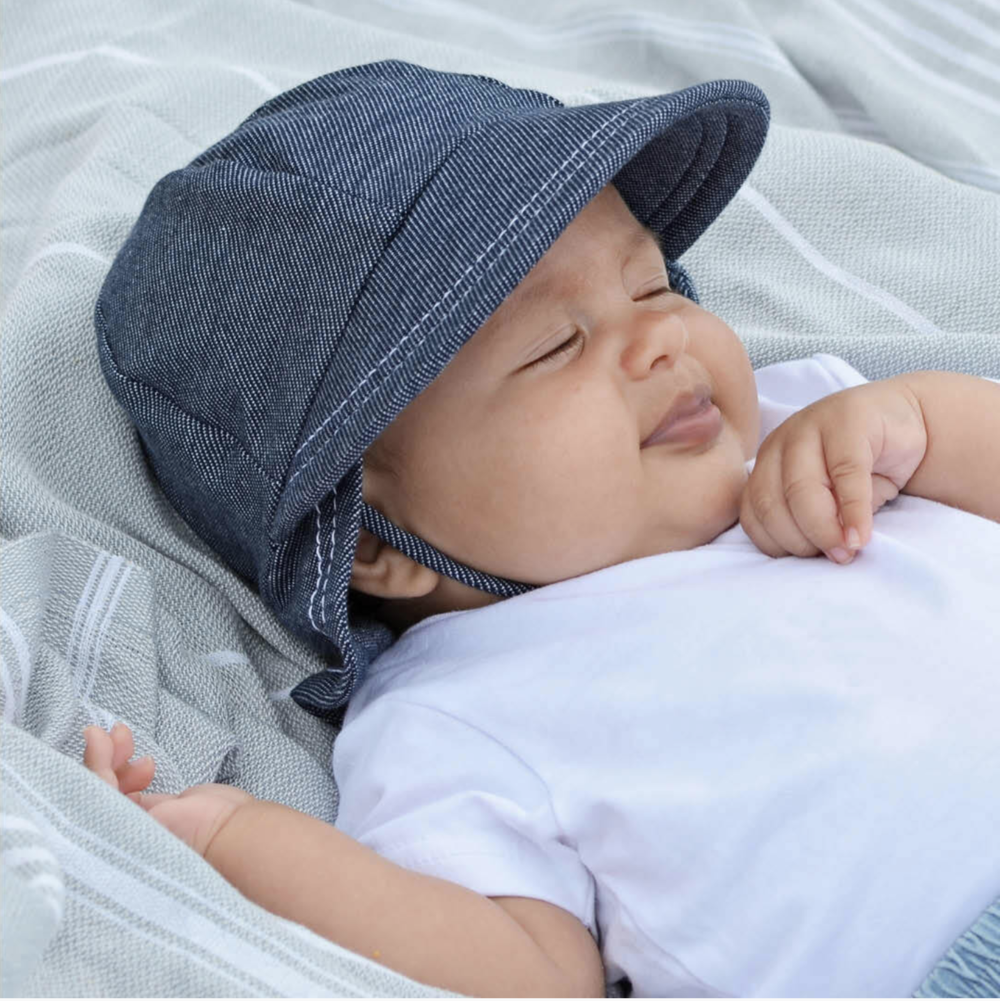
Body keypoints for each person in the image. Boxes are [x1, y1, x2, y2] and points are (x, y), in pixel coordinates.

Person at [90, 61, 1000, 996]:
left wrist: (928, 422)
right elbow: (530, 976)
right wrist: (239, 840)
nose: (663, 339)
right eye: (556, 344)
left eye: (653, 287)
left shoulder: (812, 423)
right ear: (368, 543)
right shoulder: (454, 712)